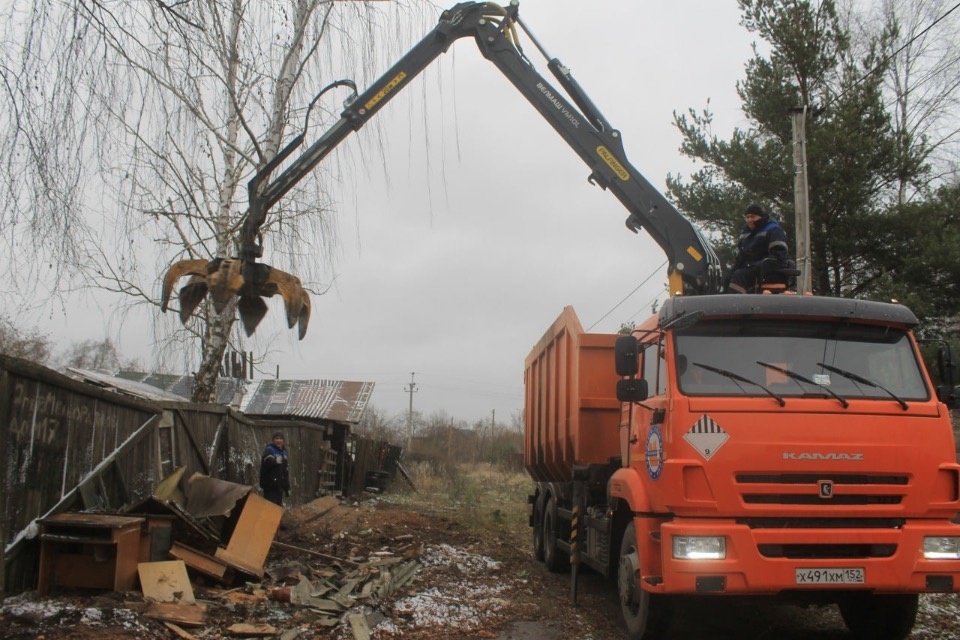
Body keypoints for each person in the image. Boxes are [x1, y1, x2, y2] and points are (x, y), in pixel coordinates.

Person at [725, 203, 789, 293]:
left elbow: (779, 256)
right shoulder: (745, 233)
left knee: (739, 276)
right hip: (751, 270)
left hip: (768, 271)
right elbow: (741, 256)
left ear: (761, 217)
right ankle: (724, 302)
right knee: (728, 277)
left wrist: (757, 265)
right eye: (747, 217)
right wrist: (731, 272)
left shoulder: (773, 230)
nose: (750, 220)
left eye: (753, 217)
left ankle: (736, 305)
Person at [259, 430, 290, 506]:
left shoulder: (284, 453)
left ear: (283, 440)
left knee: (277, 508)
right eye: (276, 438)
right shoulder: (269, 450)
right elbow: (268, 461)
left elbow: (285, 472)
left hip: (279, 486)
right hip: (270, 486)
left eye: (280, 439)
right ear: (273, 440)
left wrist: (287, 488)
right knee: (270, 508)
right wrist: (274, 461)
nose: (278, 441)